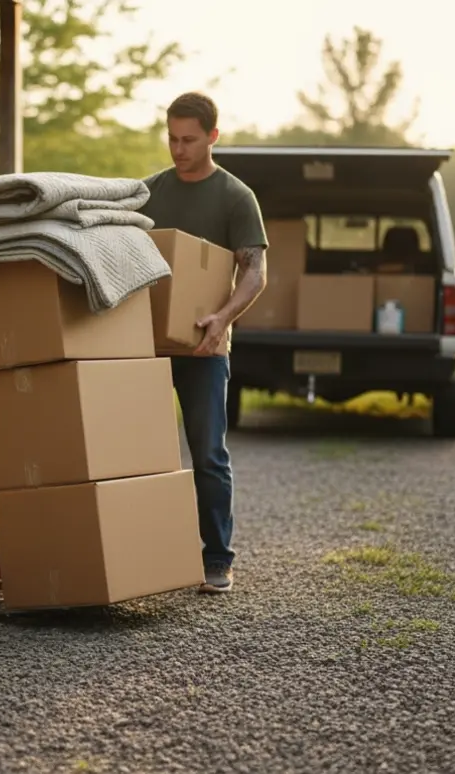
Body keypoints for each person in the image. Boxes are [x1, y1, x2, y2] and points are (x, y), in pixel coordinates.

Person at [137, 92, 268, 594]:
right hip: (145, 349)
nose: (178, 149)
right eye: (171, 138)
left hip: (204, 350)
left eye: (188, 139)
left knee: (208, 454)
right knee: (137, 458)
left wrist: (222, 320)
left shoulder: (235, 197)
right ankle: (144, 555)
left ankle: (217, 558)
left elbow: (255, 272)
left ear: (213, 136)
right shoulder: (150, 192)